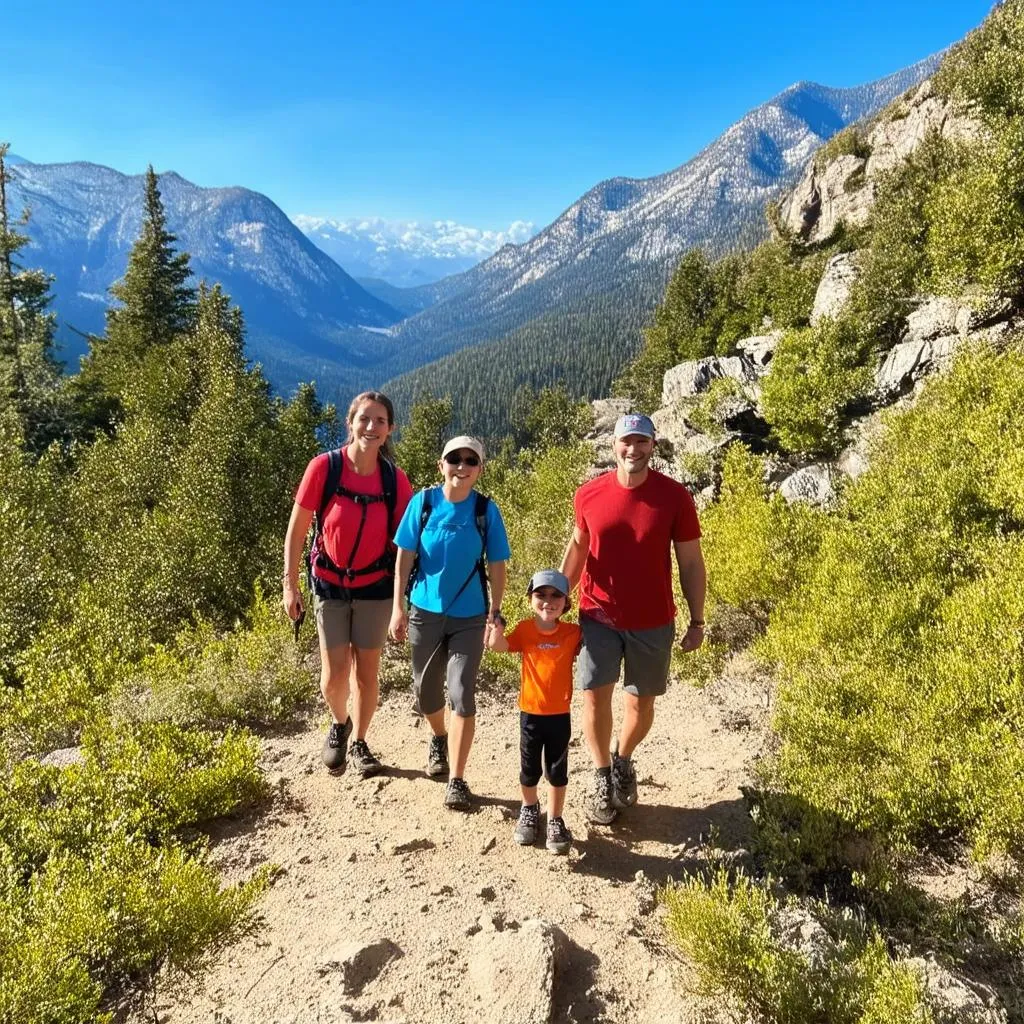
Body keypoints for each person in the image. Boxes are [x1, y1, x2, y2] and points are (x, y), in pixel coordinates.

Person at [560, 412, 706, 824]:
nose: (633, 449)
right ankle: (602, 773)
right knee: (594, 695)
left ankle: (623, 758)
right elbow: (578, 547)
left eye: (642, 442)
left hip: (653, 619)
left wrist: (697, 621)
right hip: (597, 614)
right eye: (627, 441)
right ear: (614, 447)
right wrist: (557, 595)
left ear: (652, 447)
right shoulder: (588, 495)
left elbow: (691, 562)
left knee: (641, 705)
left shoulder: (674, 497)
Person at [282, 391, 413, 778]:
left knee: (366, 674)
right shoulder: (324, 468)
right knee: (333, 675)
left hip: (375, 587)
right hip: (330, 585)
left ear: (389, 430)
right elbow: (297, 530)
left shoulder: (394, 479)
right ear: (350, 423)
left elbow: (406, 542)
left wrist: (401, 601)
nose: (371, 428)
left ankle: (359, 742)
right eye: (365, 419)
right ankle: (340, 723)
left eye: (380, 422)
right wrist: (290, 585)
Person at [389, 435, 509, 810]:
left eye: (470, 460)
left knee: (461, 692)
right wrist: (398, 607)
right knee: (426, 693)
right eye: (454, 459)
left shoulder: (486, 510)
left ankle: (456, 779)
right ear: (441, 465)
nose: (461, 466)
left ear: (480, 469)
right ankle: (438, 735)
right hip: (424, 610)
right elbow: (404, 559)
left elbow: (497, 565)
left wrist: (495, 612)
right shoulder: (422, 504)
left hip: (470, 615)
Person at [486, 569, 580, 855]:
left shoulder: (574, 633)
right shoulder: (526, 630)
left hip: (559, 715)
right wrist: (495, 631)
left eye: (556, 596)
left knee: (557, 770)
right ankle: (529, 809)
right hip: (530, 714)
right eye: (541, 595)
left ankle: (555, 820)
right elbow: (498, 647)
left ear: (566, 602)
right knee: (529, 769)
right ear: (530, 599)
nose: (548, 601)